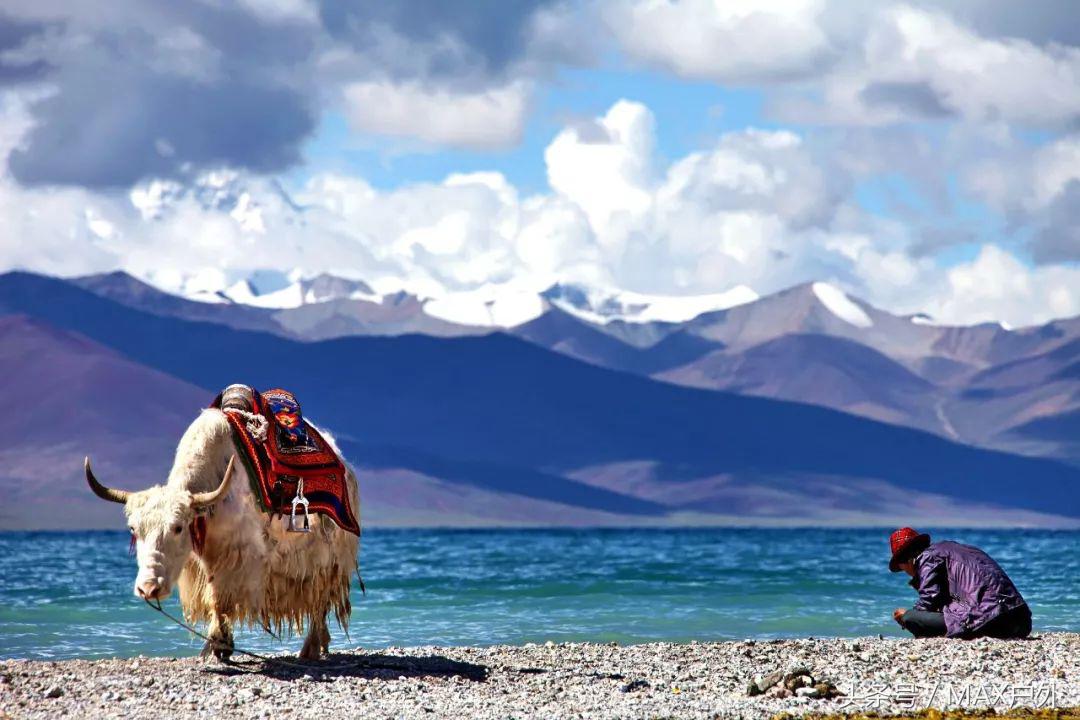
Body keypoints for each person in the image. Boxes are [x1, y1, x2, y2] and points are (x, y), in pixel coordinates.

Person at [888, 527, 1031, 639]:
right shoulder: (954, 549)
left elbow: (929, 599)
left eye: (901, 568)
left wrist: (907, 614)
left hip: (990, 621)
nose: (905, 572)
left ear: (906, 560)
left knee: (910, 618)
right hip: (1021, 619)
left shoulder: (927, 557)